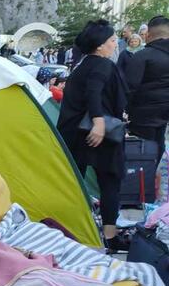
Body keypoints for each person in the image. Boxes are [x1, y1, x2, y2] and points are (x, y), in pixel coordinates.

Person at [57, 19, 129, 252]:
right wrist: (99, 122)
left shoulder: (83, 63)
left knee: (75, 181)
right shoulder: (101, 64)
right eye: (111, 40)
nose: (115, 43)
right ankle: (110, 235)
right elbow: (94, 92)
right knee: (111, 179)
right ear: (99, 45)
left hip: (74, 131)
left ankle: (73, 227)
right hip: (98, 133)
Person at [124, 15, 169, 165]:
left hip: (142, 115)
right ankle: (152, 181)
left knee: (142, 152)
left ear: (148, 35)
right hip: (164, 114)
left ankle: (142, 183)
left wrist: (125, 109)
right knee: (159, 145)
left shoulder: (142, 56)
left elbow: (129, 87)